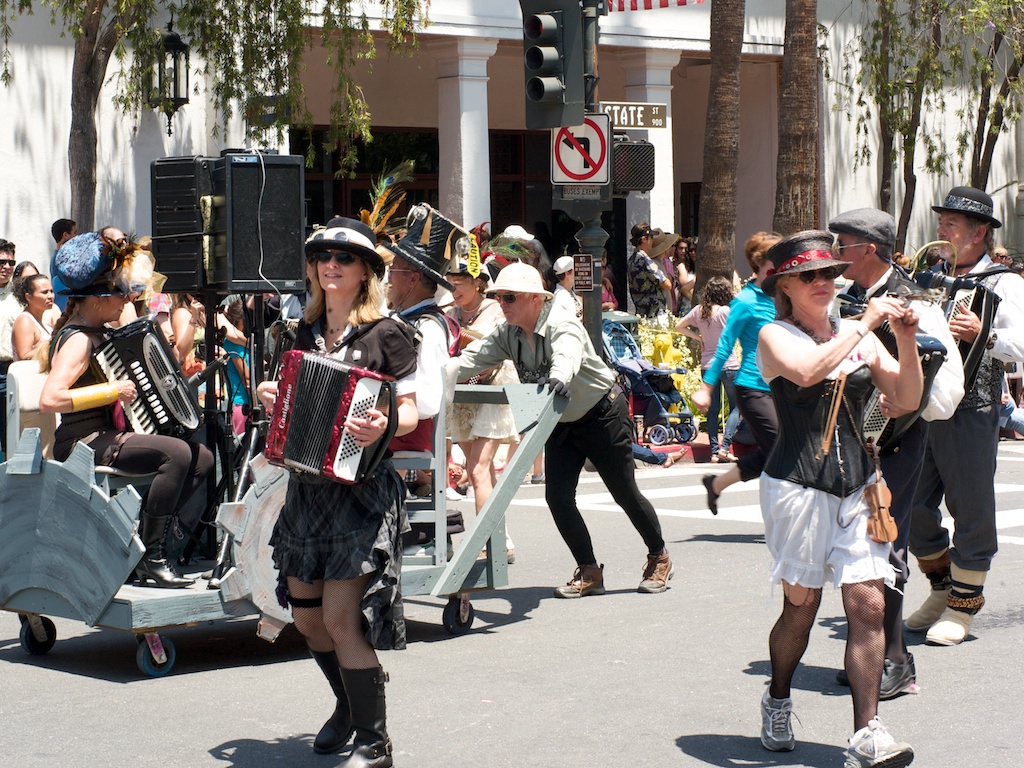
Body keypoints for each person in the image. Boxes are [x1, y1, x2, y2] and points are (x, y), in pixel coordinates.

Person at [255, 218, 419, 766]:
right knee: (305, 618)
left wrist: (383, 422)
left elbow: (413, 410)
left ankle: (376, 742)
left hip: (360, 492)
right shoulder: (298, 335)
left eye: (344, 258)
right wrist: (268, 396)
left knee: (339, 620)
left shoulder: (387, 334)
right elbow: (286, 405)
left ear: (366, 272)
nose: (330, 265)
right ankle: (348, 703)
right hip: (306, 490)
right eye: (321, 256)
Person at [755, 230, 921, 767]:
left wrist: (907, 337)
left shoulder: (860, 333)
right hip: (797, 487)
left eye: (829, 273)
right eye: (810, 275)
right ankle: (778, 696)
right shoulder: (774, 335)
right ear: (786, 284)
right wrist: (866, 326)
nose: (824, 282)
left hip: (861, 486)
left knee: (868, 603)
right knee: (801, 608)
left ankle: (866, 733)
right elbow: (806, 372)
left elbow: (905, 398)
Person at [457, 262, 674, 597]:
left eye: (510, 297)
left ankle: (659, 555)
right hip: (559, 418)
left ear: (534, 299)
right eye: (499, 297)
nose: (503, 304)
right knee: (557, 497)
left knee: (624, 492)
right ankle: (589, 571)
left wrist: (558, 376)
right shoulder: (507, 333)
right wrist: (428, 377)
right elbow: (471, 359)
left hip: (601, 414)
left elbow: (567, 355)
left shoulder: (561, 322)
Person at [828, 207, 965, 695]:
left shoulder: (916, 298)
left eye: (840, 243)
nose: (834, 252)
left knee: (887, 544)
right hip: (849, 442)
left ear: (867, 247)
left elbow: (947, 387)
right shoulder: (845, 298)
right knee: (857, 550)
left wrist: (906, 402)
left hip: (898, 443)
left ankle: (896, 660)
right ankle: (873, 652)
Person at [39, 228, 214, 589]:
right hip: (82, 441)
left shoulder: (99, 331)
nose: (125, 302)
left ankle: (141, 540)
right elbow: (50, 399)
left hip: (108, 435)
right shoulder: (77, 341)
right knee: (178, 455)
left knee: (203, 459)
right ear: (98, 299)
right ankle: (149, 556)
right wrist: (110, 390)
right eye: (119, 296)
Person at [906, 186, 1024, 646]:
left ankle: (963, 607)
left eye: (952, 223)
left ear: (978, 233)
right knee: (911, 504)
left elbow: (1020, 346)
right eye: (942, 221)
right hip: (923, 405)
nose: (942, 229)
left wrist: (984, 333)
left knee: (972, 508)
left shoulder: (1005, 282)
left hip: (972, 408)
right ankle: (941, 589)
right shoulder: (931, 276)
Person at [692, 232, 782, 514]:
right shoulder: (745, 301)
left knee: (779, 450)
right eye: (779, 257)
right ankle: (785, 514)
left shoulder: (785, 293)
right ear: (763, 262)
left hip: (783, 386)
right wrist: (707, 387)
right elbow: (724, 346)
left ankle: (716, 484)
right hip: (753, 387)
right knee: (782, 450)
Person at [385, 204, 457, 543]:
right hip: (396, 428)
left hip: (408, 431)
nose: (388, 277)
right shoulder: (406, 321)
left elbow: (427, 401)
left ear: (413, 278)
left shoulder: (426, 328)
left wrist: (380, 404)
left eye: (395, 270)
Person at [446, 253, 520, 562]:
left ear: (478, 283)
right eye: (450, 283)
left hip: (493, 392)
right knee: (484, 471)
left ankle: (486, 542)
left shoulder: (495, 310)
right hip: (462, 395)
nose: (454, 289)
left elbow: (496, 354)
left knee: (477, 469)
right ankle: (501, 540)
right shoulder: (449, 311)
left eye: (459, 282)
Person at [676, 276, 740, 463]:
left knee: (712, 411)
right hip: (728, 365)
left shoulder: (698, 311)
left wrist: (699, 338)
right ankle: (725, 446)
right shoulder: (726, 311)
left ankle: (713, 451)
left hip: (707, 366)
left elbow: (678, 326)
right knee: (736, 407)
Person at [0, 238, 21, 457]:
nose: (7, 267)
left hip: (10, 372)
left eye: (11, 263)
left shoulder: (20, 297)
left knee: (10, 436)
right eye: (1, 262)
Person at [626, 224, 675, 319]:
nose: (652, 240)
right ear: (644, 239)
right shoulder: (645, 259)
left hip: (641, 312)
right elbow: (667, 284)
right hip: (655, 314)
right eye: (651, 237)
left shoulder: (631, 259)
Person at [217, 298, 251, 436]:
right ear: (238, 319)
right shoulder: (233, 344)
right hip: (242, 405)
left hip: (242, 404)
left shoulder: (241, 342)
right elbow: (247, 379)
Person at [12, 274, 56, 361]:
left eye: (51, 291)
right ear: (28, 297)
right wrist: (53, 346)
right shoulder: (25, 321)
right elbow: (24, 356)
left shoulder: (41, 323)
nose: (50, 296)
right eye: (44, 292)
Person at [49, 218, 77, 312]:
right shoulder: (63, 260)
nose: (76, 237)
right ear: (65, 235)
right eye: (74, 233)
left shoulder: (56, 257)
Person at [550, 254, 583, 319]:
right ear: (567, 273)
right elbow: (565, 324)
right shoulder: (559, 298)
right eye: (575, 270)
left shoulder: (568, 291)